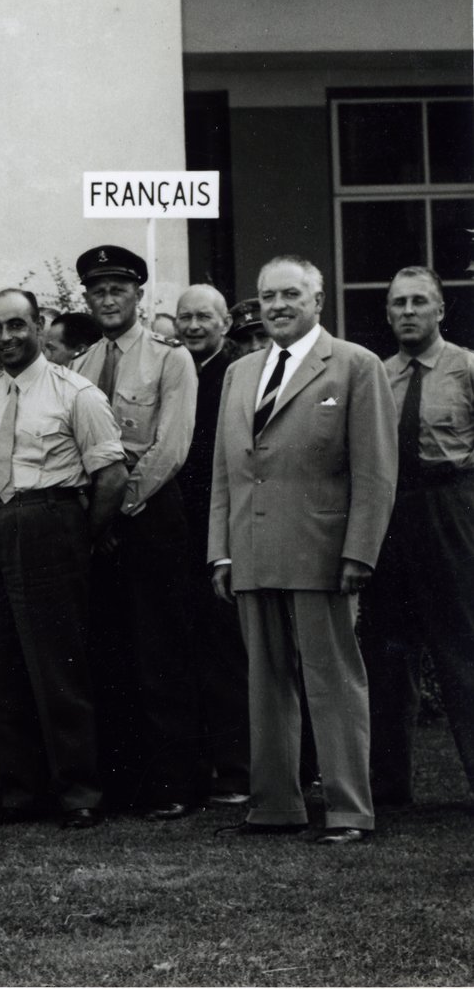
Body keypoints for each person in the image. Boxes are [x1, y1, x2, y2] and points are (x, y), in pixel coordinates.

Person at [209, 255, 396, 844]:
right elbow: (225, 472)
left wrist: (359, 552)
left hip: (323, 551)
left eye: (291, 294)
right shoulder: (241, 373)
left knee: (333, 680)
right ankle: (274, 805)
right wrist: (221, 550)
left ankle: (348, 811)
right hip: (253, 550)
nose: (278, 306)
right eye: (268, 297)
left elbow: (376, 473)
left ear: (318, 301)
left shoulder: (355, 366)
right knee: (265, 682)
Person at [0, 289, 127, 828]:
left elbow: (111, 476)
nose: (6, 337)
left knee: (57, 665)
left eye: (17, 325)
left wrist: (79, 537)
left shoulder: (75, 392)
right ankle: (19, 791)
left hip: (48, 521)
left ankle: (78, 791)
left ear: (38, 325)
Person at [71, 245, 204, 820]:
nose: (107, 298)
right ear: (86, 298)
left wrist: (116, 507)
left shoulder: (170, 359)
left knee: (161, 651)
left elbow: (170, 448)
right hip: (97, 523)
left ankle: (175, 783)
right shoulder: (77, 369)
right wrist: (92, 517)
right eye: (97, 290)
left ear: (138, 295)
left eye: (118, 289)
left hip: (148, 515)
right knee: (108, 651)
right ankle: (123, 781)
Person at [363, 267, 474, 809]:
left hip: (450, 509)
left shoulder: (467, 369)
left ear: (440, 310)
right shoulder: (376, 376)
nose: (408, 311)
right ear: (387, 314)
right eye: (398, 303)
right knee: (387, 652)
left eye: (419, 302)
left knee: (464, 648)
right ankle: (388, 787)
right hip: (390, 517)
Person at [173, 283, 251, 806]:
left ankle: (238, 767)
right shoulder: (173, 369)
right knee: (186, 653)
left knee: (227, 651)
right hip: (174, 530)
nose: (195, 327)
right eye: (186, 318)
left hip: (222, 527)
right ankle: (197, 764)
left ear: (224, 322)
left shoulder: (237, 374)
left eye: (205, 317)